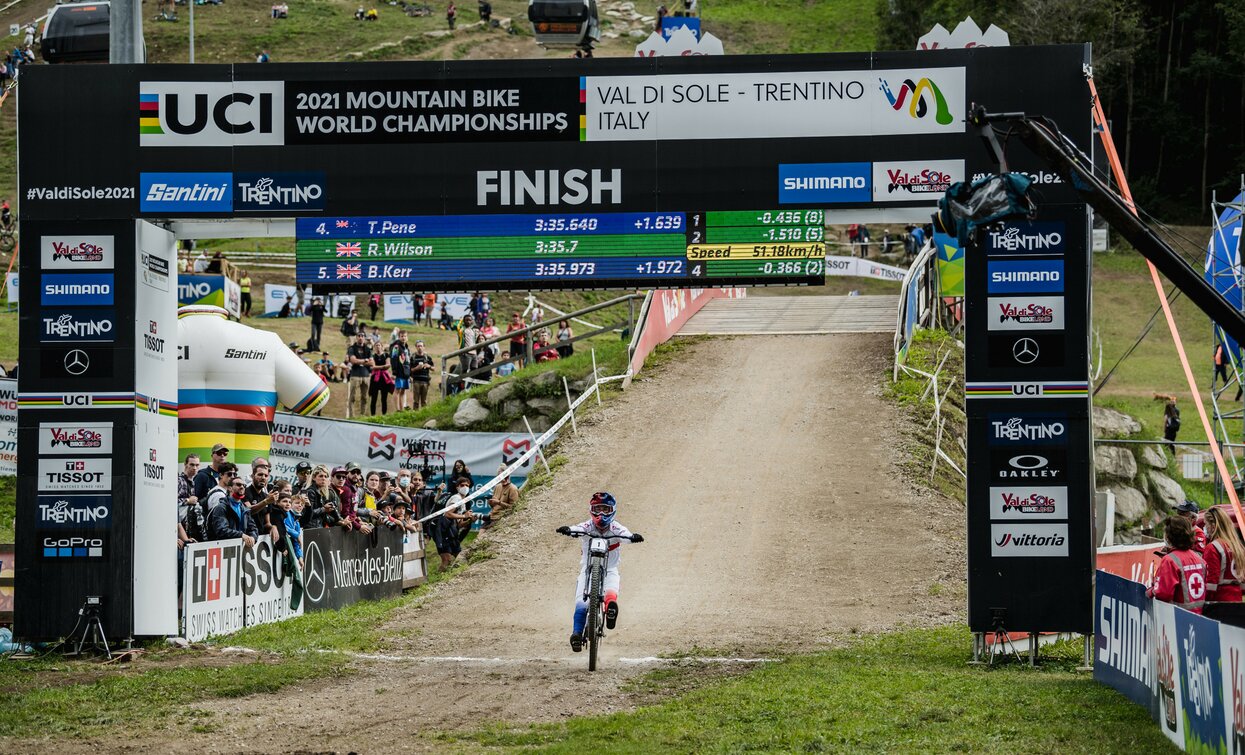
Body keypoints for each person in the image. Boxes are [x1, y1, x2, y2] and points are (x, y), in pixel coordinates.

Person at [555, 492, 644, 652]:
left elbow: (626, 534)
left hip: (609, 569)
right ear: (591, 510)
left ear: (612, 511)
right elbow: (578, 528)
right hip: (587, 571)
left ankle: (610, 609)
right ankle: (576, 634)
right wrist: (568, 529)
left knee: (612, 587)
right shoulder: (588, 526)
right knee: (580, 603)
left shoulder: (616, 528)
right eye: (598, 509)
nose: (601, 514)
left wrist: (633, 537)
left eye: (605, 509)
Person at [1147, 515, 1207, 614]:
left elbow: (1163, 594)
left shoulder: (1170, 560)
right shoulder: (1199, 559)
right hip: (1199, 617)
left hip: (1178, 617)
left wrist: (1150, 592)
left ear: (1169, 536)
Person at [1203, 507, 1245, 604]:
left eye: (1206, 524)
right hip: (1237, 600)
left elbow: (1210, 584)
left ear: (1213, 526)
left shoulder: (1212, 547)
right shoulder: (1238, 546)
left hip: (1219, 602)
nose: (1205, 528)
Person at [208, 475, 260, 545]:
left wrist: (253, 537)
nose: (242, 487)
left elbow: (253, 528)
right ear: (230, 488)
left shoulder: (245, 508)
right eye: (238, 485)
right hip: (225, 548)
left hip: (240, 549)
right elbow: (221, 530)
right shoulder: (221, 507)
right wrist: (241, 535)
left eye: (244, 485)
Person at [346, 332, 374, 418]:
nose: (360, 337)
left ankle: (362, 416)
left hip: (366, 376)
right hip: (355, 375)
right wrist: (365, 361)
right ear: (356, 338)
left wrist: (360, 361)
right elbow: (353, 361)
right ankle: (351, 416)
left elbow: (372, 363)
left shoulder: (368, 349)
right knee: (352, 397)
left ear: (364, 338)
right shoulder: (352, 348)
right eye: (359, 336)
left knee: (365, 397)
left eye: (362, 336)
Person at [370, 340, 394, 415]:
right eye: (376, 345)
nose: (378, 347)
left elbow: (388, 365)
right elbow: (373, 367)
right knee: (374, 398)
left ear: (382, 347)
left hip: (384, 378)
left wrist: (378, 367)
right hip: (375, 378)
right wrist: (383, 366)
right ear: (374, 347)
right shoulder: (372, 356)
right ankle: (373, 416)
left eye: (379, 345)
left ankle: (384, 415)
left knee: (384, 398)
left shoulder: (386, 355)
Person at [390, 332, 412, 411]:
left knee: (403, 390)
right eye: (402, 336)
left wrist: (410, 374)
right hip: (398, 372)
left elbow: (408, 361)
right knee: (397, 390)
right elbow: (393, 359)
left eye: (405, 336)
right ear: (399, 337)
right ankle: (397, 410)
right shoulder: (396, 347)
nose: (403, 338)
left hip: (405, 372)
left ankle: (402, 409)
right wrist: (394, 372)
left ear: (407, 337)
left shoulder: (406, 348)